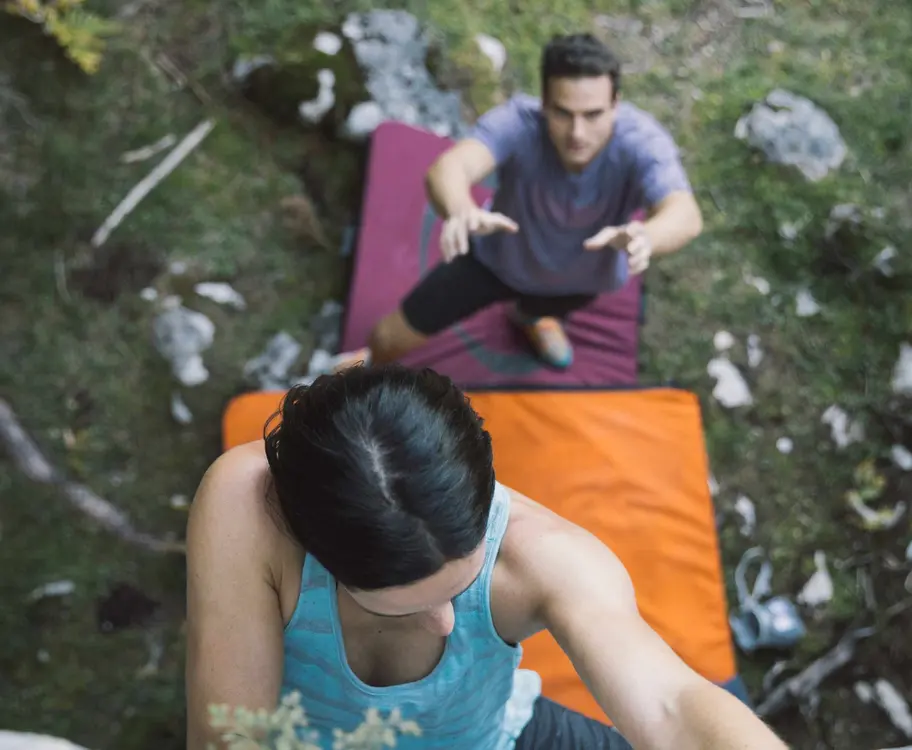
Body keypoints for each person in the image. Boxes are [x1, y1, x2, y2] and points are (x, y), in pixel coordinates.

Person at [185, 365, 787, 750]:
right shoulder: (250, 508)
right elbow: (234, 739)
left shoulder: (546, 558)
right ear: (312, 543)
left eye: (458, 590)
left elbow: (672, 707)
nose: (444, 622)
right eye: (404, 607)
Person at [331, 33, 703, 373]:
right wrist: (461, 209)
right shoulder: (518, 122)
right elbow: (451, 168)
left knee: (536, 311)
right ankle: (362, 369)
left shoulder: (642, 141)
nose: (578, 133)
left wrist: (646, 236)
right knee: (387, 339)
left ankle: (531, 318)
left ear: (615, 104)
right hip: (492, 260)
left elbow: (684, 213)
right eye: (563, 113)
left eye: (593, 115)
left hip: (580, 280)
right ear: (544, 103)